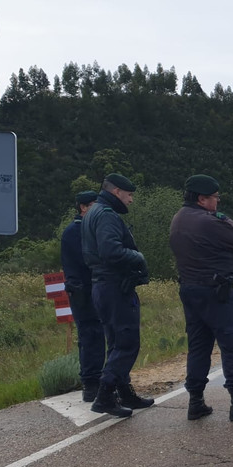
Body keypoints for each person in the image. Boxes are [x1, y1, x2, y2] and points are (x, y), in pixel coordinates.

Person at [168, 174, 233, 421]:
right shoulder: (208, 221)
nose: (218, 202)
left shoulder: (178, 219)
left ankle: (196, 401)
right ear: (202, 199)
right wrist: (224, 221)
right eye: (215, 198)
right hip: (216, 291)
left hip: (190, 290)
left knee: (199, 347)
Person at [81, 173, 154, 418]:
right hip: (115, 287)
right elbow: (111, 251)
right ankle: (105, 396)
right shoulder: (106, 216)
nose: (131, 200)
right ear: (117, 192)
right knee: (127, 342)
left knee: (116, 342)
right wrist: (139, 257)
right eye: (129, 194)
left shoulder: (93, 212)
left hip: (103, 286)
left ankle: (124, 392)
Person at [60, 190, 105, 402]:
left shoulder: (84, 228)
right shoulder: (74, 231)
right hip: (82, 292)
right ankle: (90, 383)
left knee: (96, 335)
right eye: (94, 205)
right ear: (83, 207)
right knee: (90, 336)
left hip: (89, 289)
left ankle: (97, 380)